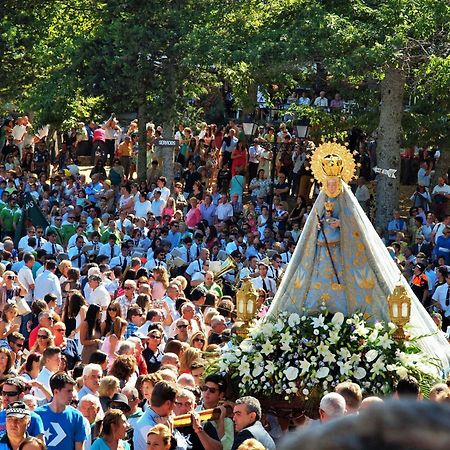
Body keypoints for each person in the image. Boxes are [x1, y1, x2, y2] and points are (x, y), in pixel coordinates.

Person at [35, 372, 88, 449]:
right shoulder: (37, 415)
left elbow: (79, 448)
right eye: (68, 391)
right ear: (56, 392)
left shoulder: (76, 417)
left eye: (72, 391)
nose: (72, 395)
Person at [133, 381, 179, 450]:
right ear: (168, 403)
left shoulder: (162, 419)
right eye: (175, 402)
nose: (175, 406)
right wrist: (169, 432)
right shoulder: (148, 426)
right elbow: (182, 448)